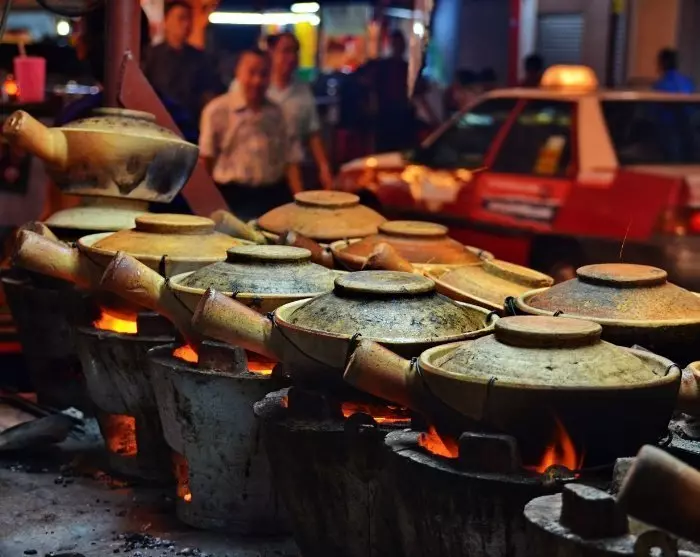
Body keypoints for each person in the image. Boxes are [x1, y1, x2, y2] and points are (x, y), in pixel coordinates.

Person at [199, 48, 303, 221]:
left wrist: (301, 205)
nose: (257, 80)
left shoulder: (278, 113)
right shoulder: (217, 111)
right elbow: (206, 161)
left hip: (271, 198)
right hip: (231, 197)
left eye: (264, 74)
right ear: (238, 72)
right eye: (252, 72)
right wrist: (205, 207)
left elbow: (290, 160)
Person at [266, 32, 334, 190]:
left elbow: (313, 133)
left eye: (295, 51)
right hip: (263, 172)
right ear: (271, 53)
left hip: (294, 173)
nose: (291, 57)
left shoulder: (303, 92)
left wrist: (324, 168)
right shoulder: (257, 87)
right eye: (286, 51)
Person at [143, 1, 222, 123]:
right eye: (181, 18)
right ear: (166, 21)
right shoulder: (150, 56)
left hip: (190, 125)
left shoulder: (201, 58)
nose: (186, 24)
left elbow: (210, 92)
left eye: (189, 19)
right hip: (156, 121)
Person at [362, 30, 413, 152]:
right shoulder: (383, 66)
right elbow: (369, 85)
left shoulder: (405, 68)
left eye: (401, 44)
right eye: (397, 44)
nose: (399, 47)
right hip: (385, 114)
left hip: (401, 115)